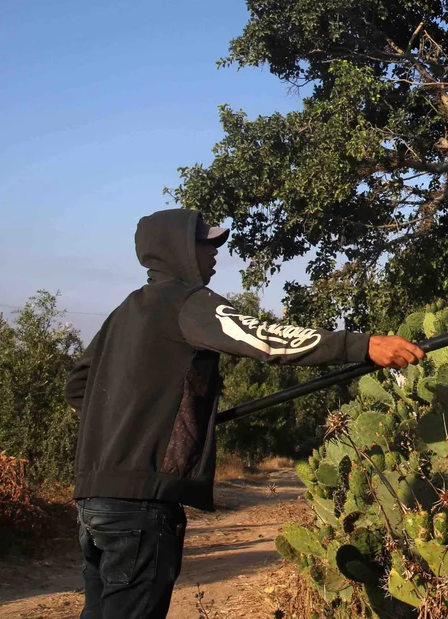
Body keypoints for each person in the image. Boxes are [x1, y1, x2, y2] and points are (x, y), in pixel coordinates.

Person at [64, 208, 424, 619]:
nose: (215, 252)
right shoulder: (188, 303)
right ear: (178, 249)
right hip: (141, 505)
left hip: (93, 501)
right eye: (206, 243)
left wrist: (140, 413)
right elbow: (263, 338)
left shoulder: (124, 311)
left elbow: (78, 387)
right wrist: (363, 345)